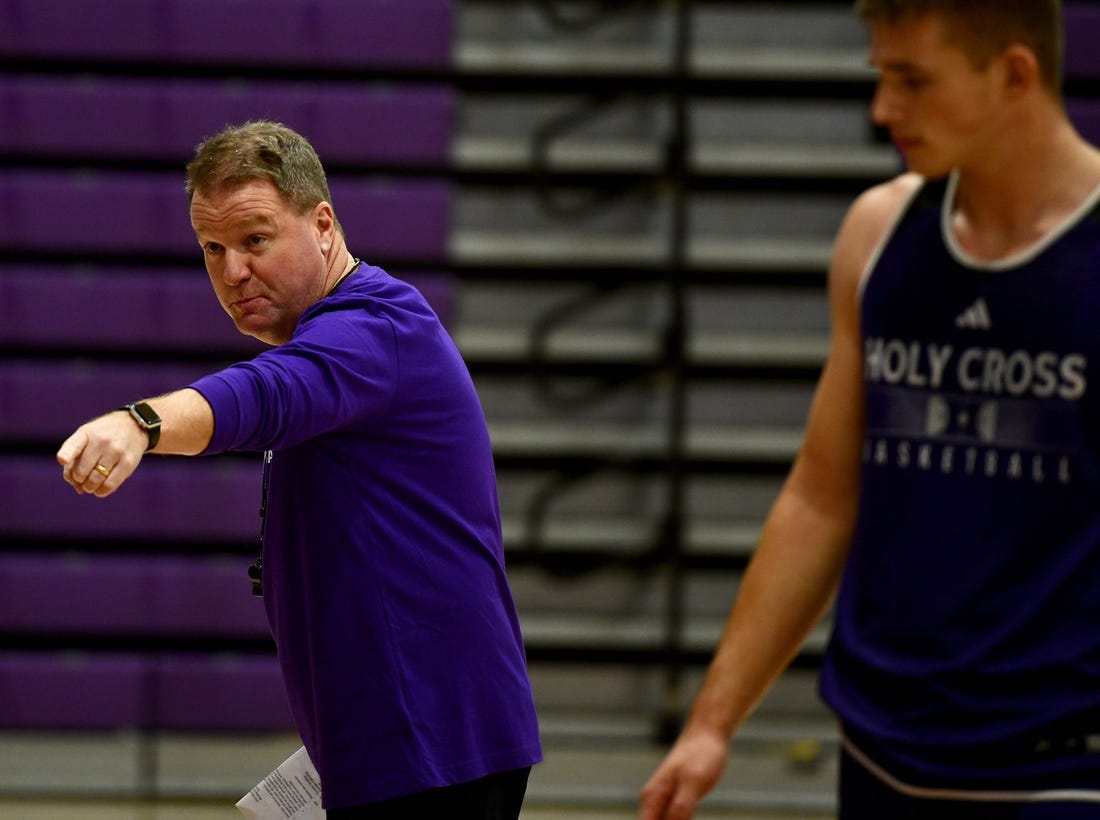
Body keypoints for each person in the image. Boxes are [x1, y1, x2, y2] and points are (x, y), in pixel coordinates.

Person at [640, 1, 1100, 817]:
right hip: (883, 749)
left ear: (1016, 74)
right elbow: (821, 497)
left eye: (913, 80)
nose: (884, 109)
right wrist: (712, 722)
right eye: (882, 76)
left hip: (1061, 763)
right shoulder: (879, 234)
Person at [56, 120, 542, 817]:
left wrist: (142, 423)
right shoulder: (346, 332)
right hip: (394, 744)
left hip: (432, 748)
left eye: (255, 239)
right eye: (212, 249)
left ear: (322, 224)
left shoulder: (375, 326)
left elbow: (262, 393)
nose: (231, 272)